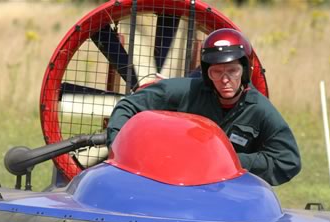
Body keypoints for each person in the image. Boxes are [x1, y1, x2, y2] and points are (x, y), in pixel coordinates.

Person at [106, 28, 301, 186]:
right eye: (217, 72)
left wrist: (230, 162)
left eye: (233, 71)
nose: (225, 80)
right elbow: (128, 105)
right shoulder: (187, 90)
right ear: (207, 74)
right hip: (173, 180)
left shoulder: (260, 109)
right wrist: (119, 146)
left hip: (228, 188)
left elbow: (288, 161)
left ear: (245, 71)